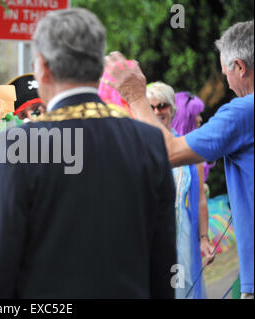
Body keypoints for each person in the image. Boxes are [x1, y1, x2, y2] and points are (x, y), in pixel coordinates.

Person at [0, 8, 176, 298]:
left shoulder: (19, 144)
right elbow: (162, 264)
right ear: (98, 68)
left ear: (42, 67)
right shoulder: (148, 141)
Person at [105, 20, 254, 298]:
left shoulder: (244, 111)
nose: (229, 86)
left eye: (226, 75)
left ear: (240, 67)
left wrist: (135, 94)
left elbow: (167, 152)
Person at [147, 83, 210, 299]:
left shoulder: (189, 147)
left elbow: (200, 199)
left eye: (162, 106)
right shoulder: (138, 149)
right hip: (151, 239)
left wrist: (204, 238)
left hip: (183, 237)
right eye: (151, 107)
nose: (157, 112)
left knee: (184, 290)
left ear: (172, 109)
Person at [172, 92, 215, 266]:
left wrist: (203, 238)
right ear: (184, 118)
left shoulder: (196, 154)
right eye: (195, 115)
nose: (200, 119)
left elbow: (201, 200)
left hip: (187, 233)